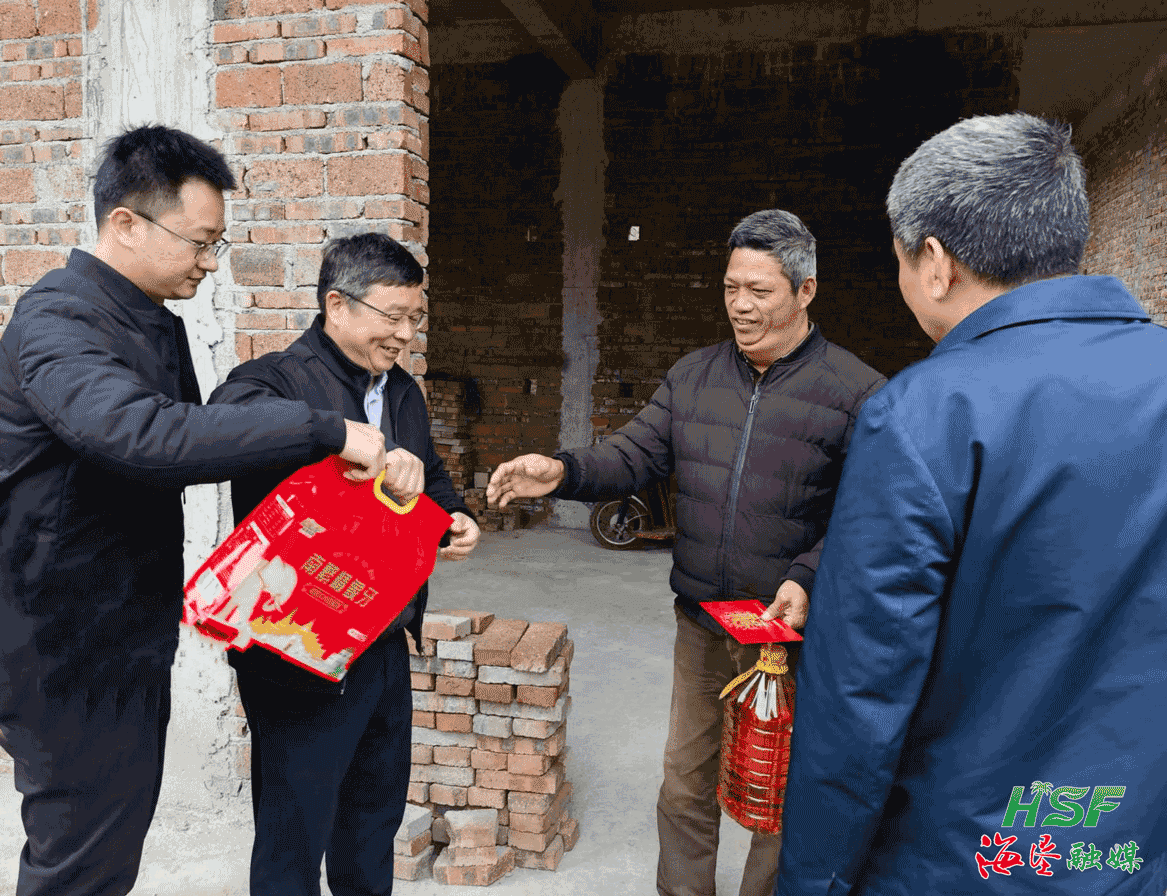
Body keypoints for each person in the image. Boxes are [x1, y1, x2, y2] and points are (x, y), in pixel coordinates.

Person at [774, 112, 1167, 895]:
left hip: (961, 861)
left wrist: (812, 881)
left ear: (934, 263)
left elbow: (859, 696)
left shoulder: (925, 414)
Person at [0, 125, 389, 896]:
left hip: (119, 630)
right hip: (61, 642)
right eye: (200, 243)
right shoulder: (59, 321)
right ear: (125, 223)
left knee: (108, 842)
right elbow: (145, 436)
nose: (210, 263)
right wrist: (323, 428)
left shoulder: (140, 317)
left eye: (217, 245)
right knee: (81, 857)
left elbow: (193, 441)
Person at [488, 210, 885, 896]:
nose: (740, 305)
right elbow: (632, 454)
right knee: (684, 781)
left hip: (791, 632)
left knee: (780, 787)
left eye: (759, 290)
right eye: (731, 287)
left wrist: (808, 576)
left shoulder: (856, 392)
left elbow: (868, 512)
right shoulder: (694, 376)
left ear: (805, 291)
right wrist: (562, 471)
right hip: (702, 622)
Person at [208, 232, 480, 896]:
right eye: (394, 316)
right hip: (296, 646)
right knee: (294, 835)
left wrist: (452, 516)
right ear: (337, 304)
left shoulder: (403, 392)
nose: (406, 334)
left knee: (371, 823)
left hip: (382, 642)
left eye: (414, 318)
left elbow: (431, 477)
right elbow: (223, 422)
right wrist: (339, 439)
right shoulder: (276, 378)